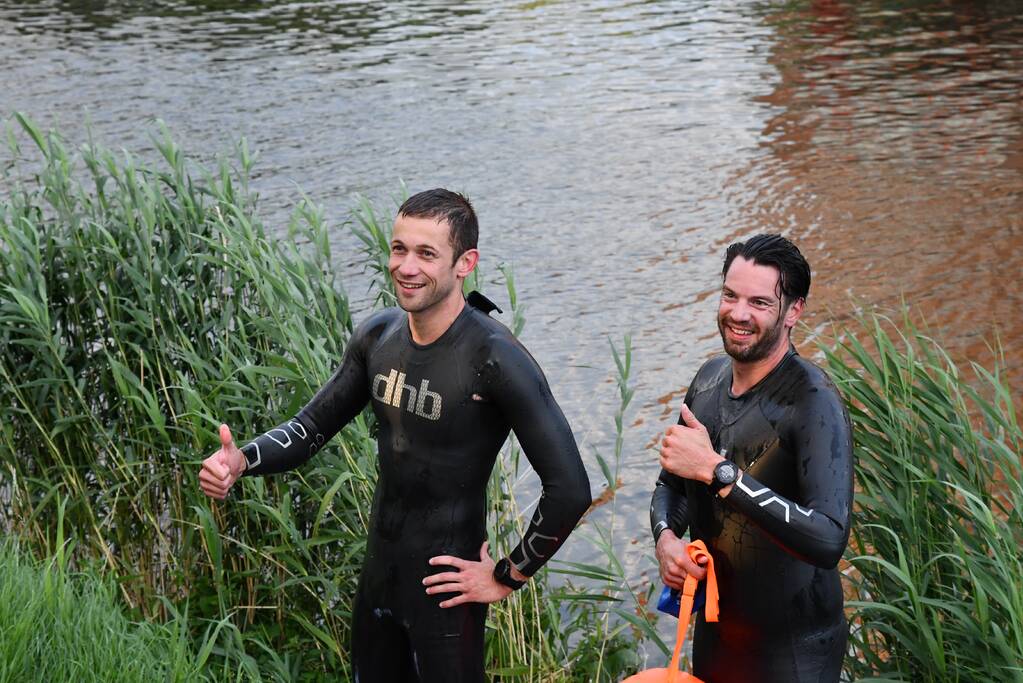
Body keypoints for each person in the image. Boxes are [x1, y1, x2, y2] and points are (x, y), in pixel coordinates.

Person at [198, 188, 591, 682]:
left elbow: (571, 488)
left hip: (446, 596)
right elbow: (311, 427)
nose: (406, 266)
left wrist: (505, 576)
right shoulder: (378, 336)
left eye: (427, 253)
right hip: (379, 580)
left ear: (465, 262)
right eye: (399, 248)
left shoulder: (495, 358)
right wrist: (243, 460)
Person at [649, 234, 853, 682]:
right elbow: (671, 486)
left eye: (759, 302)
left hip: (794, 654)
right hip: (718, 638)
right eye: (730, 295)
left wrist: (719, 472)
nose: (738, 314)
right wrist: (666, 540)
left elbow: (829, 539)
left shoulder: (812, 402)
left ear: (793, 310)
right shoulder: (707, 381)